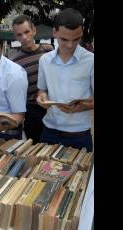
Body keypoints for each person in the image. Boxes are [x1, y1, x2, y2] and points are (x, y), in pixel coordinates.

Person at [37, 8, 94, 152]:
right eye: (64, 39)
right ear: (55, 32)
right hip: (49, 131)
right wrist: (42, 98)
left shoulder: (91, 61)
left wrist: (83, 106)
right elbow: (42, 90)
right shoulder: (44, 60)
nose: (70, 45)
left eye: (76, 39)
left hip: (79, 134)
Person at [9, 15, 54, 144]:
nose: (24, 37)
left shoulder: (49, 50)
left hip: (51, 107)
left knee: (52, 148)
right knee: (34, 148)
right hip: (31, 111)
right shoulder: (14, 60)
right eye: (19, 34)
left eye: (27, 32)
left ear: (34, 30)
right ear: (15, 36)